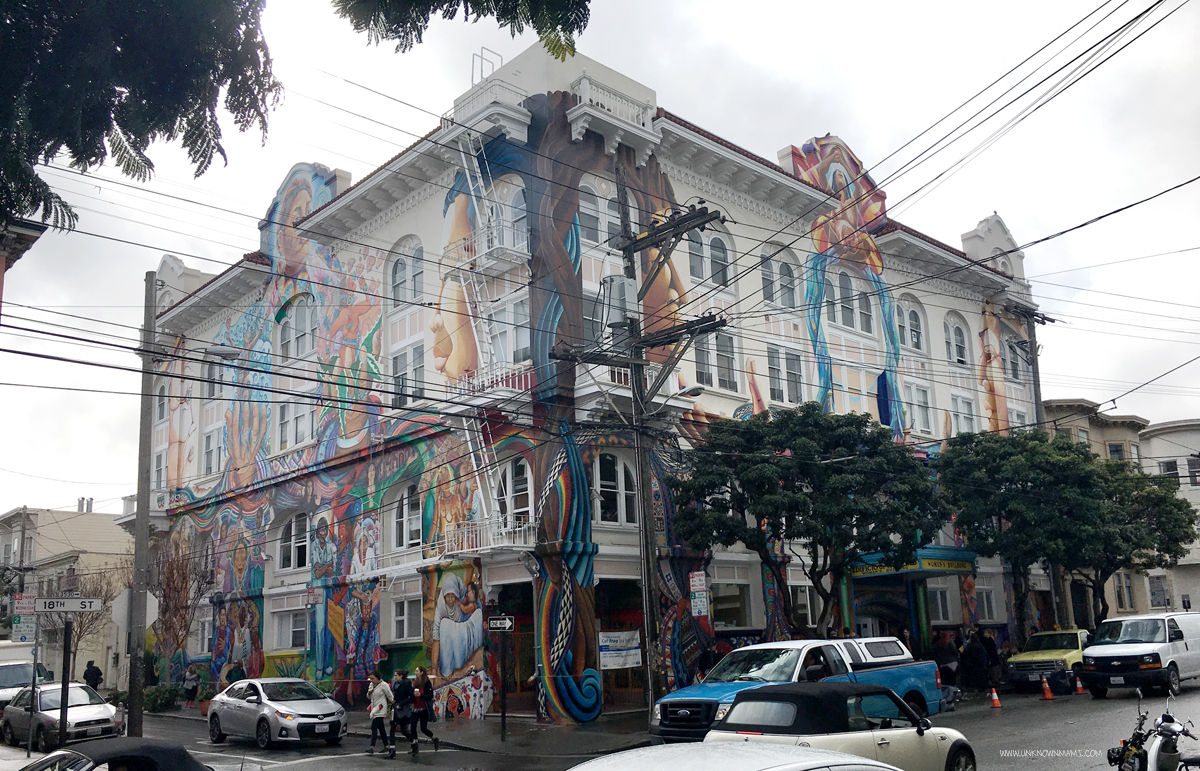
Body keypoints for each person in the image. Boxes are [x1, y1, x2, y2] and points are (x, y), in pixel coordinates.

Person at [409, 667, 439, 756]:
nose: (415, 672)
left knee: (423, 728)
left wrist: (421, 695)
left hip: (423, 709)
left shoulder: (427, 683)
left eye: (417, 671)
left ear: (422, 672)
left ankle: (434, 739)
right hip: (415, 708)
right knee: (412, 727)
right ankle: (415, 747)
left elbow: (430, 696)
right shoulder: (414, 682)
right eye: (415, 670)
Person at [389, 669, 415, 759]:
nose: (394, 677)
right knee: (392, 728)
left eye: (396, 675)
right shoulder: (395, 685)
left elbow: (412, 698)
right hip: (395, 708)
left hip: (402, 709)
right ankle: (392, 750)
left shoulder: (406, 685)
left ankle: (414, 742)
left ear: (401, 676)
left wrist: (401, 704)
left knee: (404, 730)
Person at [366, 670, 393, 755]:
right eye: (370, 678)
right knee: (381, 728)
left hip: (381, 708)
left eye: (373, 678)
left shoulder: (383, 685)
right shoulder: (371, 685)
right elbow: (368, 697)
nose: (371, 680)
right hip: (374, 707)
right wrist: (369, 692)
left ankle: (372, 746)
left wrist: (393, 704)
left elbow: (390, 696)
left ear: (378, 678)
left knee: (374, 726)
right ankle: (386, 745)